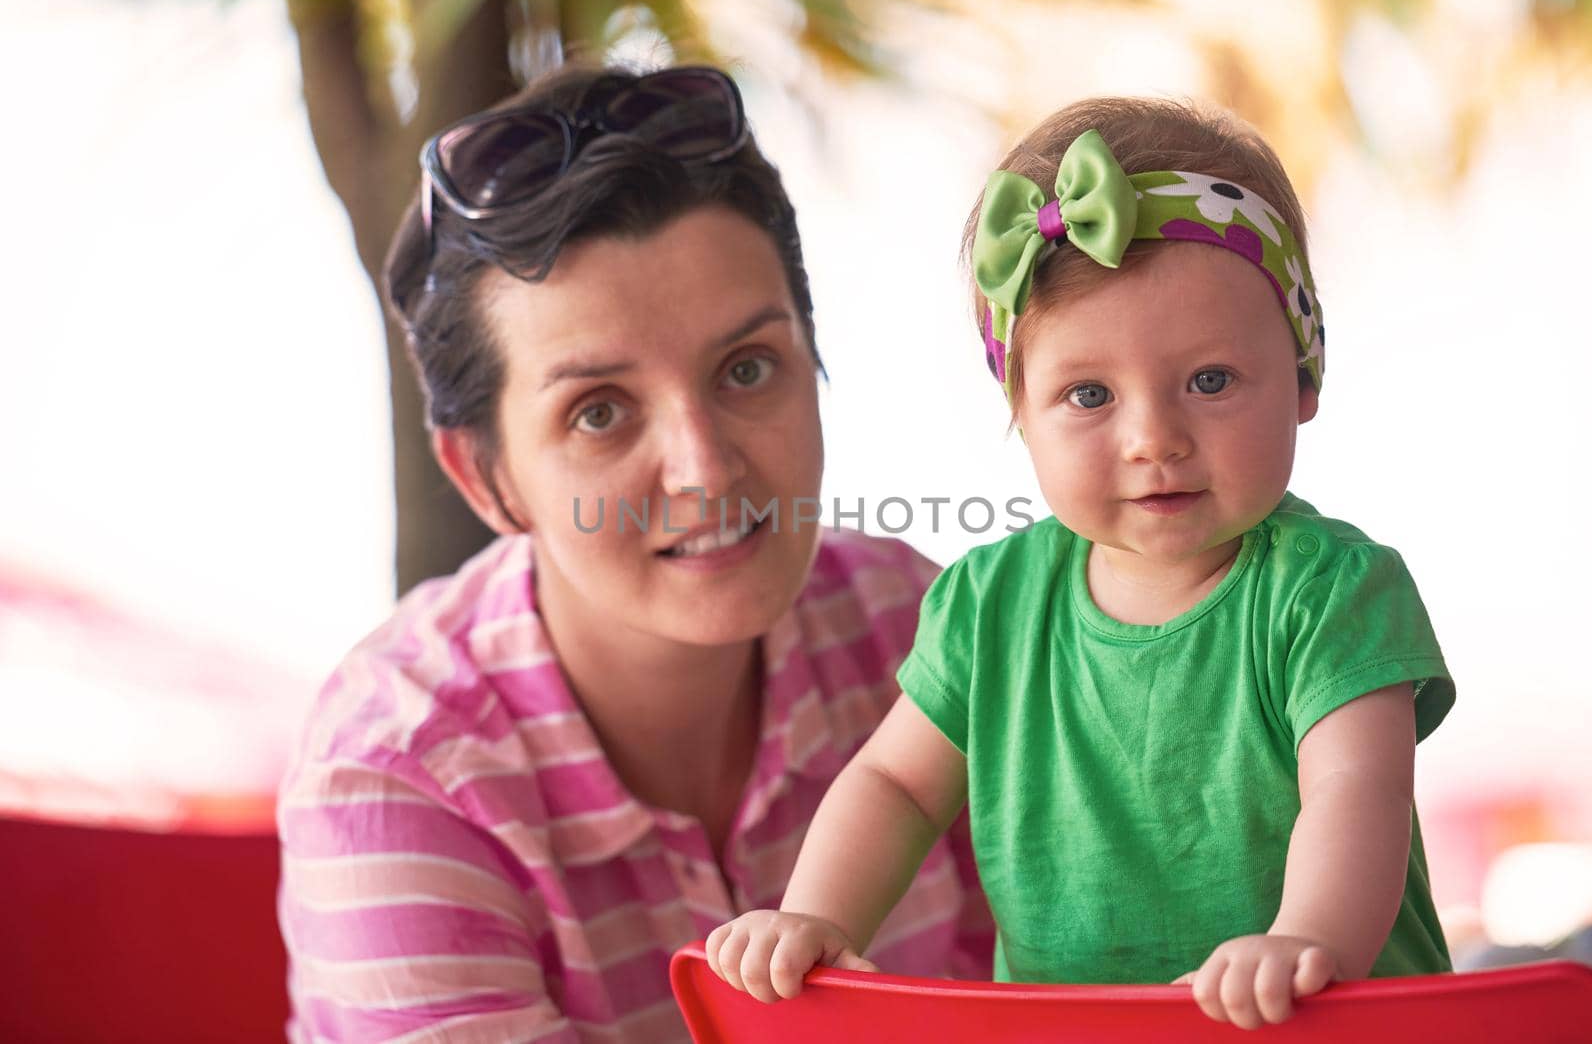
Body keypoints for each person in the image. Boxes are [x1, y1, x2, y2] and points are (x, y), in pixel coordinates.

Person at [275, 63, 993, 1043]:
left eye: (747, 368)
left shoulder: (916, 624)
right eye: (598, 412)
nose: (704, 469)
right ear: (485, 478)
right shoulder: (399, 778)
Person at [706, 96, 1457, 1030]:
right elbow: (895, 786)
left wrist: (1306, 939)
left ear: (1304, 376)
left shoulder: (1330, 591)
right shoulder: (991, 603)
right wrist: (815, 914)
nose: (1154, 438)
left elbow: (1356, 789)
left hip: (1320, 1020)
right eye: (1089, 394)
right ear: (1020, 412)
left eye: (1210, 380)